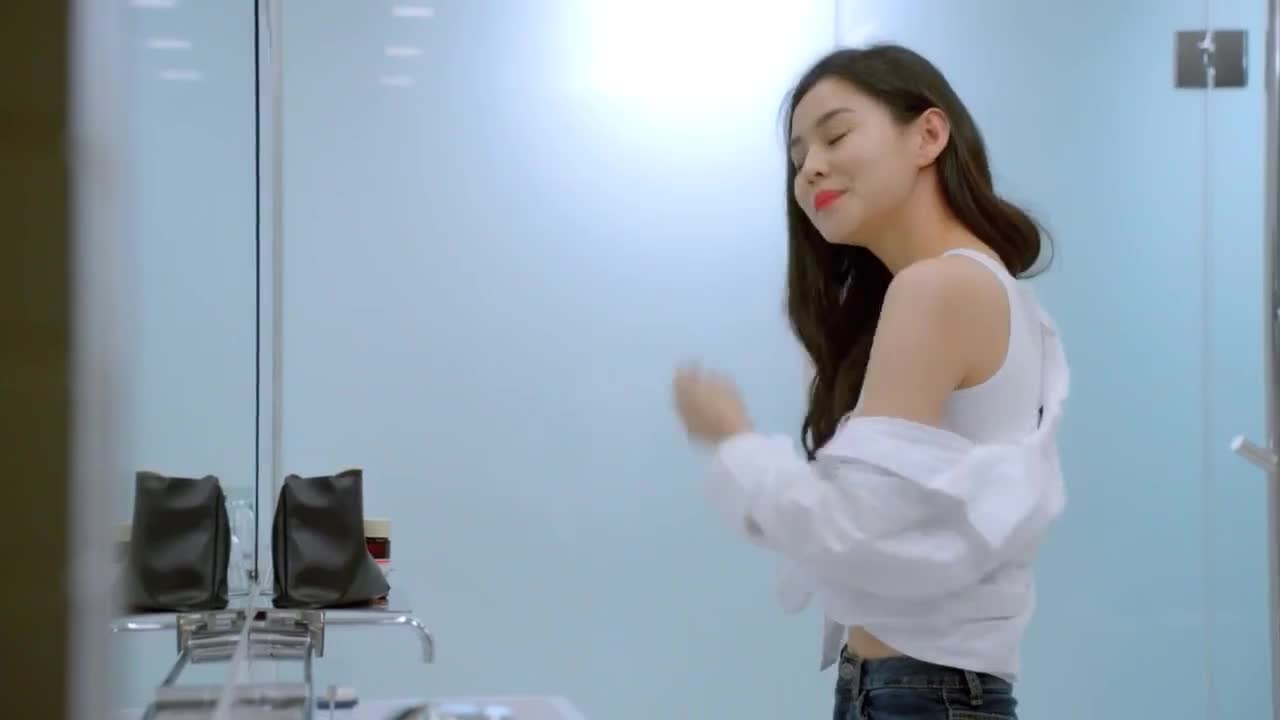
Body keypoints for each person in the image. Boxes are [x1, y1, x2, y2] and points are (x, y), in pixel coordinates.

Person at [672, 45, 1069, 720]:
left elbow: (854, 531)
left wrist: (732, 438)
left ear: (929, 135)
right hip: (920, 690)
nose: (810, 168)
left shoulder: (937, 289)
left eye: (835, 135)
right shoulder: (982, 290)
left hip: (919, 694)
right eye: (798, 156)